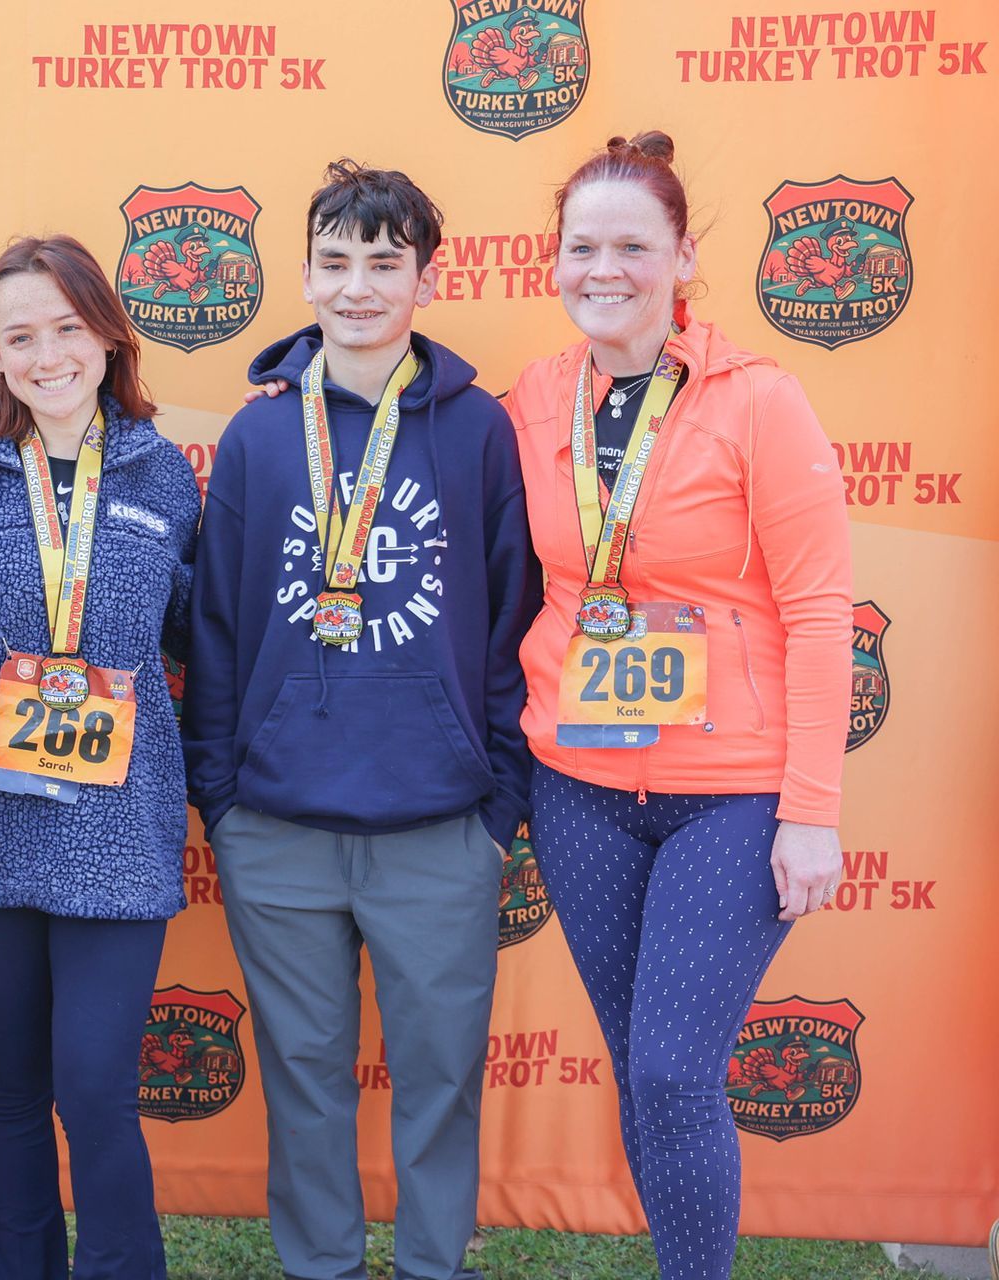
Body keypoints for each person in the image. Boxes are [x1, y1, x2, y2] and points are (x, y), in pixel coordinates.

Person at [504, 132, 851, 1280]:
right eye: (582, 247)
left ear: (683, 257)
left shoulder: (760, 401)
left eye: (633, 247)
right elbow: (420, 433)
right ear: (556, 259)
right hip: (581, 789)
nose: (603, 269)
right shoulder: (536, 398)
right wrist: (303, 384)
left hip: (732, 796)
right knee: (641, 1070)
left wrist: (812, 809)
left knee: (672, 1070)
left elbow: (820, 611)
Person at [184, 160, 538, 1280]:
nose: (358, 287)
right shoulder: (257, 437)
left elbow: (514, 623)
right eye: (335, 263)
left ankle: (435, 1263)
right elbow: (219, 629)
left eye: (385, 264)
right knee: (303, 1075)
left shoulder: (478, 430)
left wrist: (498, 802)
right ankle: (321, 1265)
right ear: (303, 276)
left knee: (441, 1077)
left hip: (440, 824)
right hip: (278, 826)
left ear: (427, 279)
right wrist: (223, 799)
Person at [0, 236, 200, 1280]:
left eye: (68, 329)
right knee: (10, 1091)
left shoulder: (164, 472)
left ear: (109, 333)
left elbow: (197, 636)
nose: (48, 356)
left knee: (94, 1090)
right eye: (20, 336)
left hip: (120, 826)